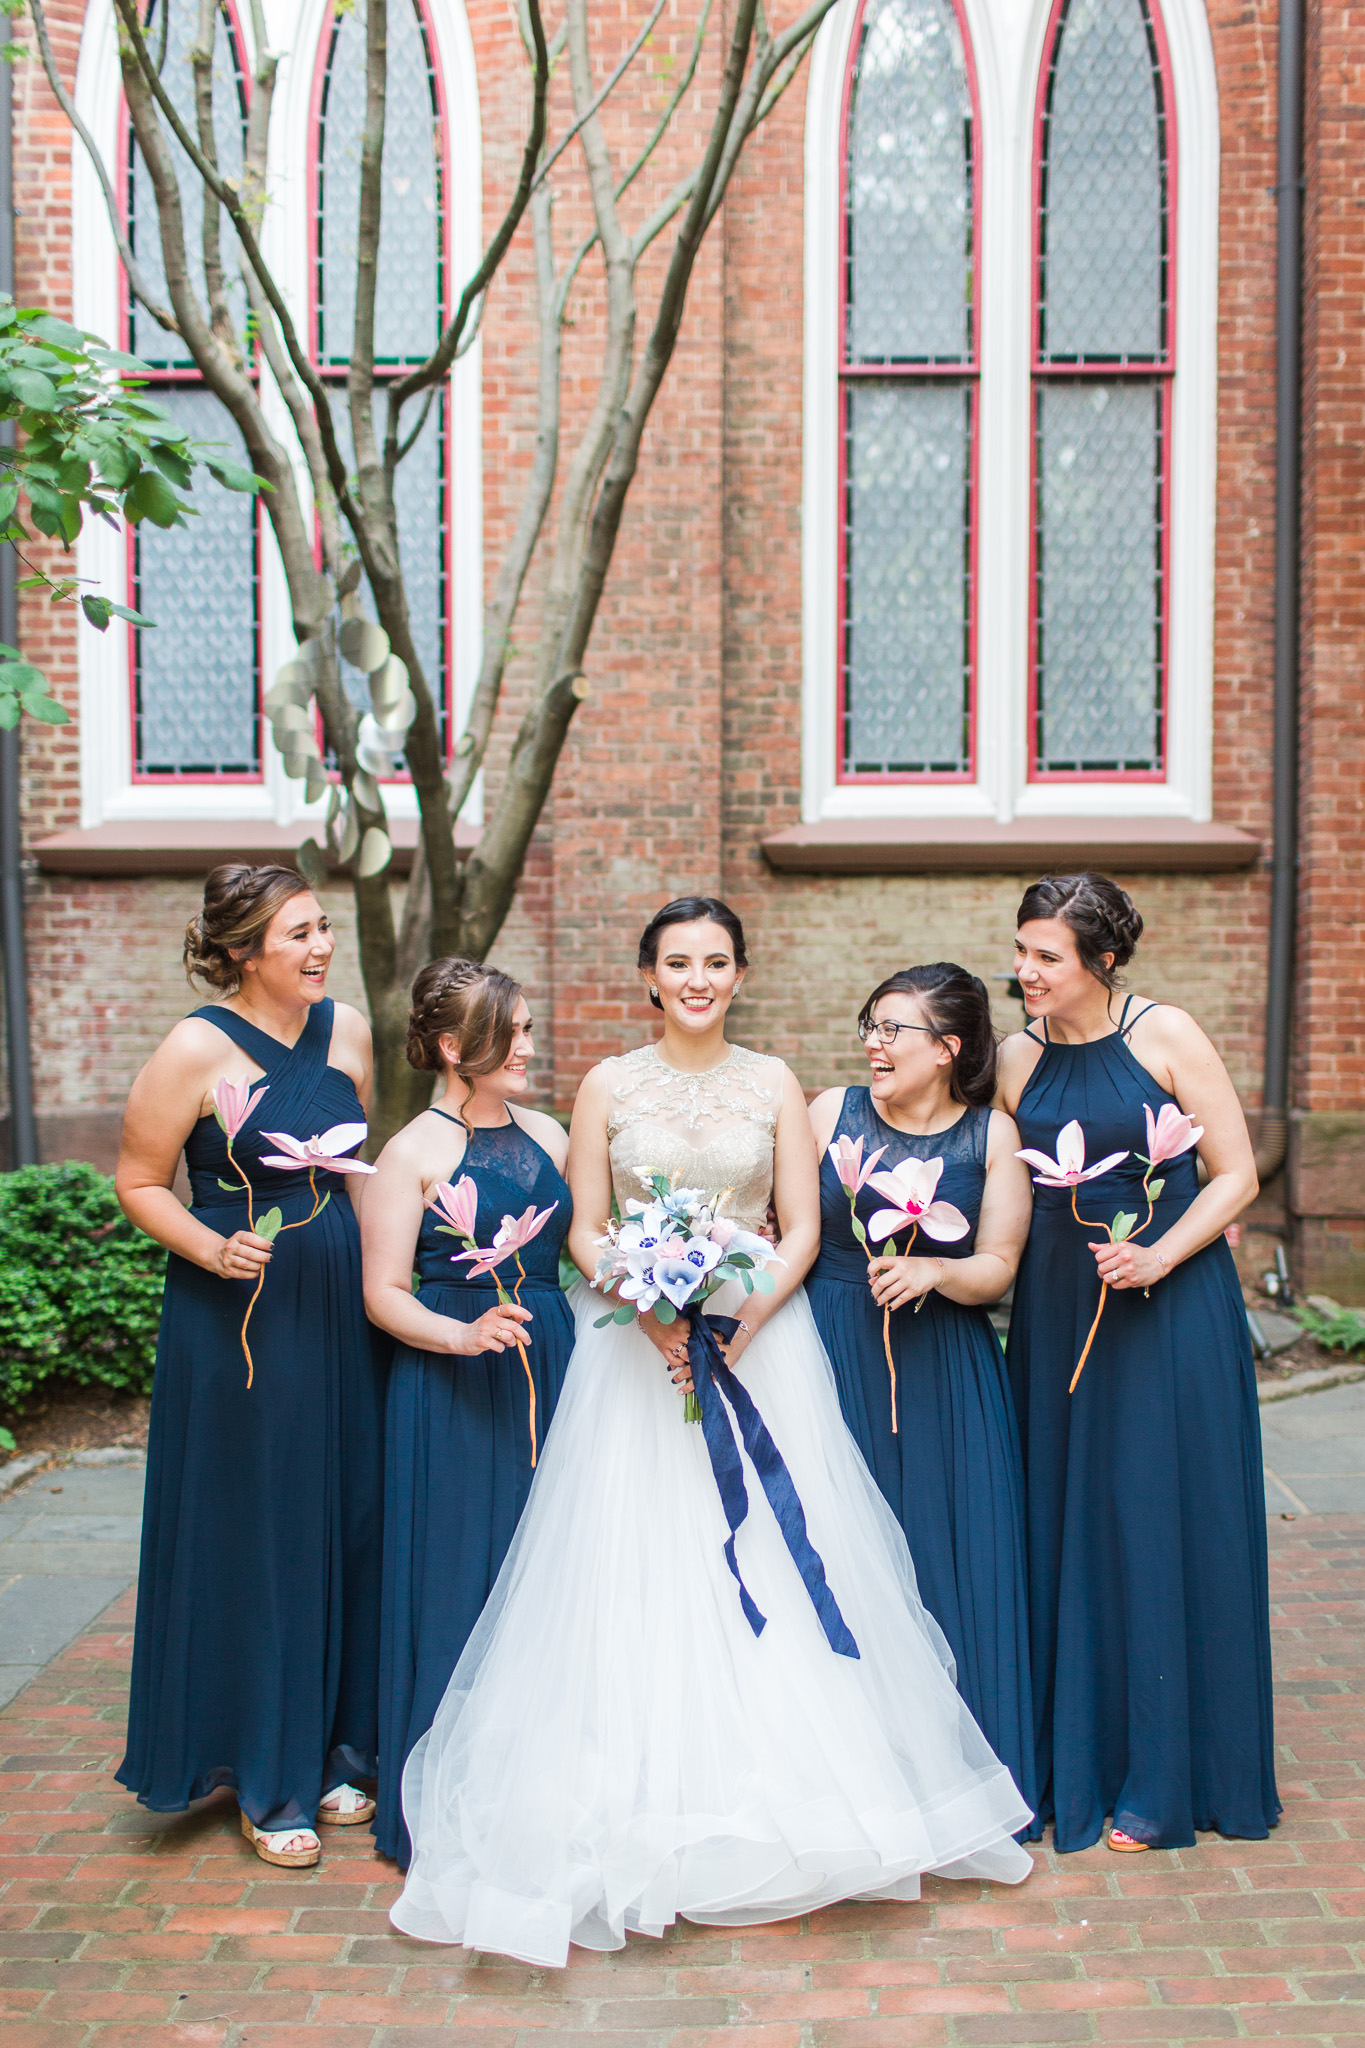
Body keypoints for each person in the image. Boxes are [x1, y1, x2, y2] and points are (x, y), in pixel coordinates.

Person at [390, 896, 1032, 1968]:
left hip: (757, 1344)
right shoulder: (606, 1084)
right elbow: (586, 1228)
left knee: (779, 1560)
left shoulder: (776, 1081)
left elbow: (804, 1222)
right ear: (649, 976)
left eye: (717, 960)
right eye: (678, 960)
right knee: (631, 1561)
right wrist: (648, 1309)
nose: (697, 976)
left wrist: (740, 1314)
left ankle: (782, 1794)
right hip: (631, 1356)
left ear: (740, 974)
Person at [998, 872, 1278, 1854]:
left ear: (1102, 961)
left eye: (1047, 955)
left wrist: (1161, 1250)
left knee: (1153, 1518)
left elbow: (1237, 1171)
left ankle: (1164, 1777)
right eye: (1023, 949)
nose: (1026, 970)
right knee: (1065, 1522)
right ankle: (1066, 1758)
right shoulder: (1012, 1058)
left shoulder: (1167, 1035)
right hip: (1057, 1312)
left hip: (1166, 1303)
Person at [115, 863, 386, 1868]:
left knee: (347, 1514)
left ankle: (335, 1746)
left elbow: (359, 1165)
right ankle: (266, 1772)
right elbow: (138, 1179)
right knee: (265, 1528)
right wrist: (210, 1248)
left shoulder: (347, 1029)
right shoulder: (194, 1045)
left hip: (338, 1304)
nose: (320, 947)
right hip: (237, 1310)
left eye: (323, 927)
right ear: (242, 950)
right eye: (297, 934)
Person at [807, 964, 1035, 1815]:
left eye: (892, 1029)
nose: (872, 1041)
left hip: (944, 1366)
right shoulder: (829, 1112)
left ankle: (963, 1781)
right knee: (839, 1555)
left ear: (947, 1048)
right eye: (870, 1023)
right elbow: (782, 1230)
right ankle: (855, 1784)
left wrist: (936, 1271)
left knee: (949, 1551)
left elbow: (996, 1268)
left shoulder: (992, 1138)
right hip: (830, 1354)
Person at [363, 958, 573, 1869]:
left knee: (557, 1570)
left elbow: (586, 1248)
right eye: (511, 1032)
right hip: (453, 1382)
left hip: (557, 1365)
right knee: (463, 1570)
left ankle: (553, 1781)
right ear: (454, 1047)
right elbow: (383, 1293)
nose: (528, 1046)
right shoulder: (409, 1153)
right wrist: (459, 1338)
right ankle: (451, 1794)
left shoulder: (552, 1136)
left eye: (527, 1029)